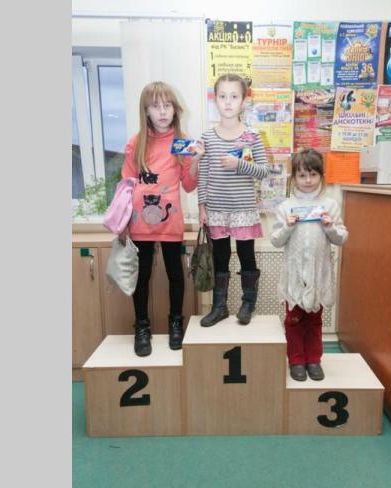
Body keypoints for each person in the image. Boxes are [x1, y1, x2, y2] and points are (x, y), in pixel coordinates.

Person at [120, 81, 204, 356]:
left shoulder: (182, 142)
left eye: (167, 105)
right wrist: (122, 221)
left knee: (175, 273)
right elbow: (126, 184)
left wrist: (196, 160)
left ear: (175, 109)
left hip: (170, 221)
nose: (163, 111)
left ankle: (175, 323)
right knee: (141, 275)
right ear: (145, 111)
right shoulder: (135, 144)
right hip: (139, 222)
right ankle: (142, 327)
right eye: (156, 106)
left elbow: (189, 185)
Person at [269, 149, 348, 381]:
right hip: (294, 276)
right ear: (294, 177)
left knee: (314, 320)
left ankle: (314, 359)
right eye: (302, 175)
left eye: (313, 174)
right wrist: (287, 227)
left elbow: (341, 238)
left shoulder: (330, 205)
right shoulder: (285, 206)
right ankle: (296, 360)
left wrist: (330, 227)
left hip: (318, 274)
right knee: (293, 320)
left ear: (321, 176)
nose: (308, 180)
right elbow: (275, 240)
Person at [198, 73, 269, 327]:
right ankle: (219, 307)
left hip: (243, 209)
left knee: (246, 255)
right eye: (222, 96)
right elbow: (203, 173)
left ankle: (248, 304)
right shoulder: (207, 137)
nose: (228, 102)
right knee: (220, 257)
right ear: (215, 100)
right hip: (216, 210)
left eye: (234, 96)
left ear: (243, 101)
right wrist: (201, 207)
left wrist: (239, 164)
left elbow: (264, 171)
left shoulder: (251, 135)